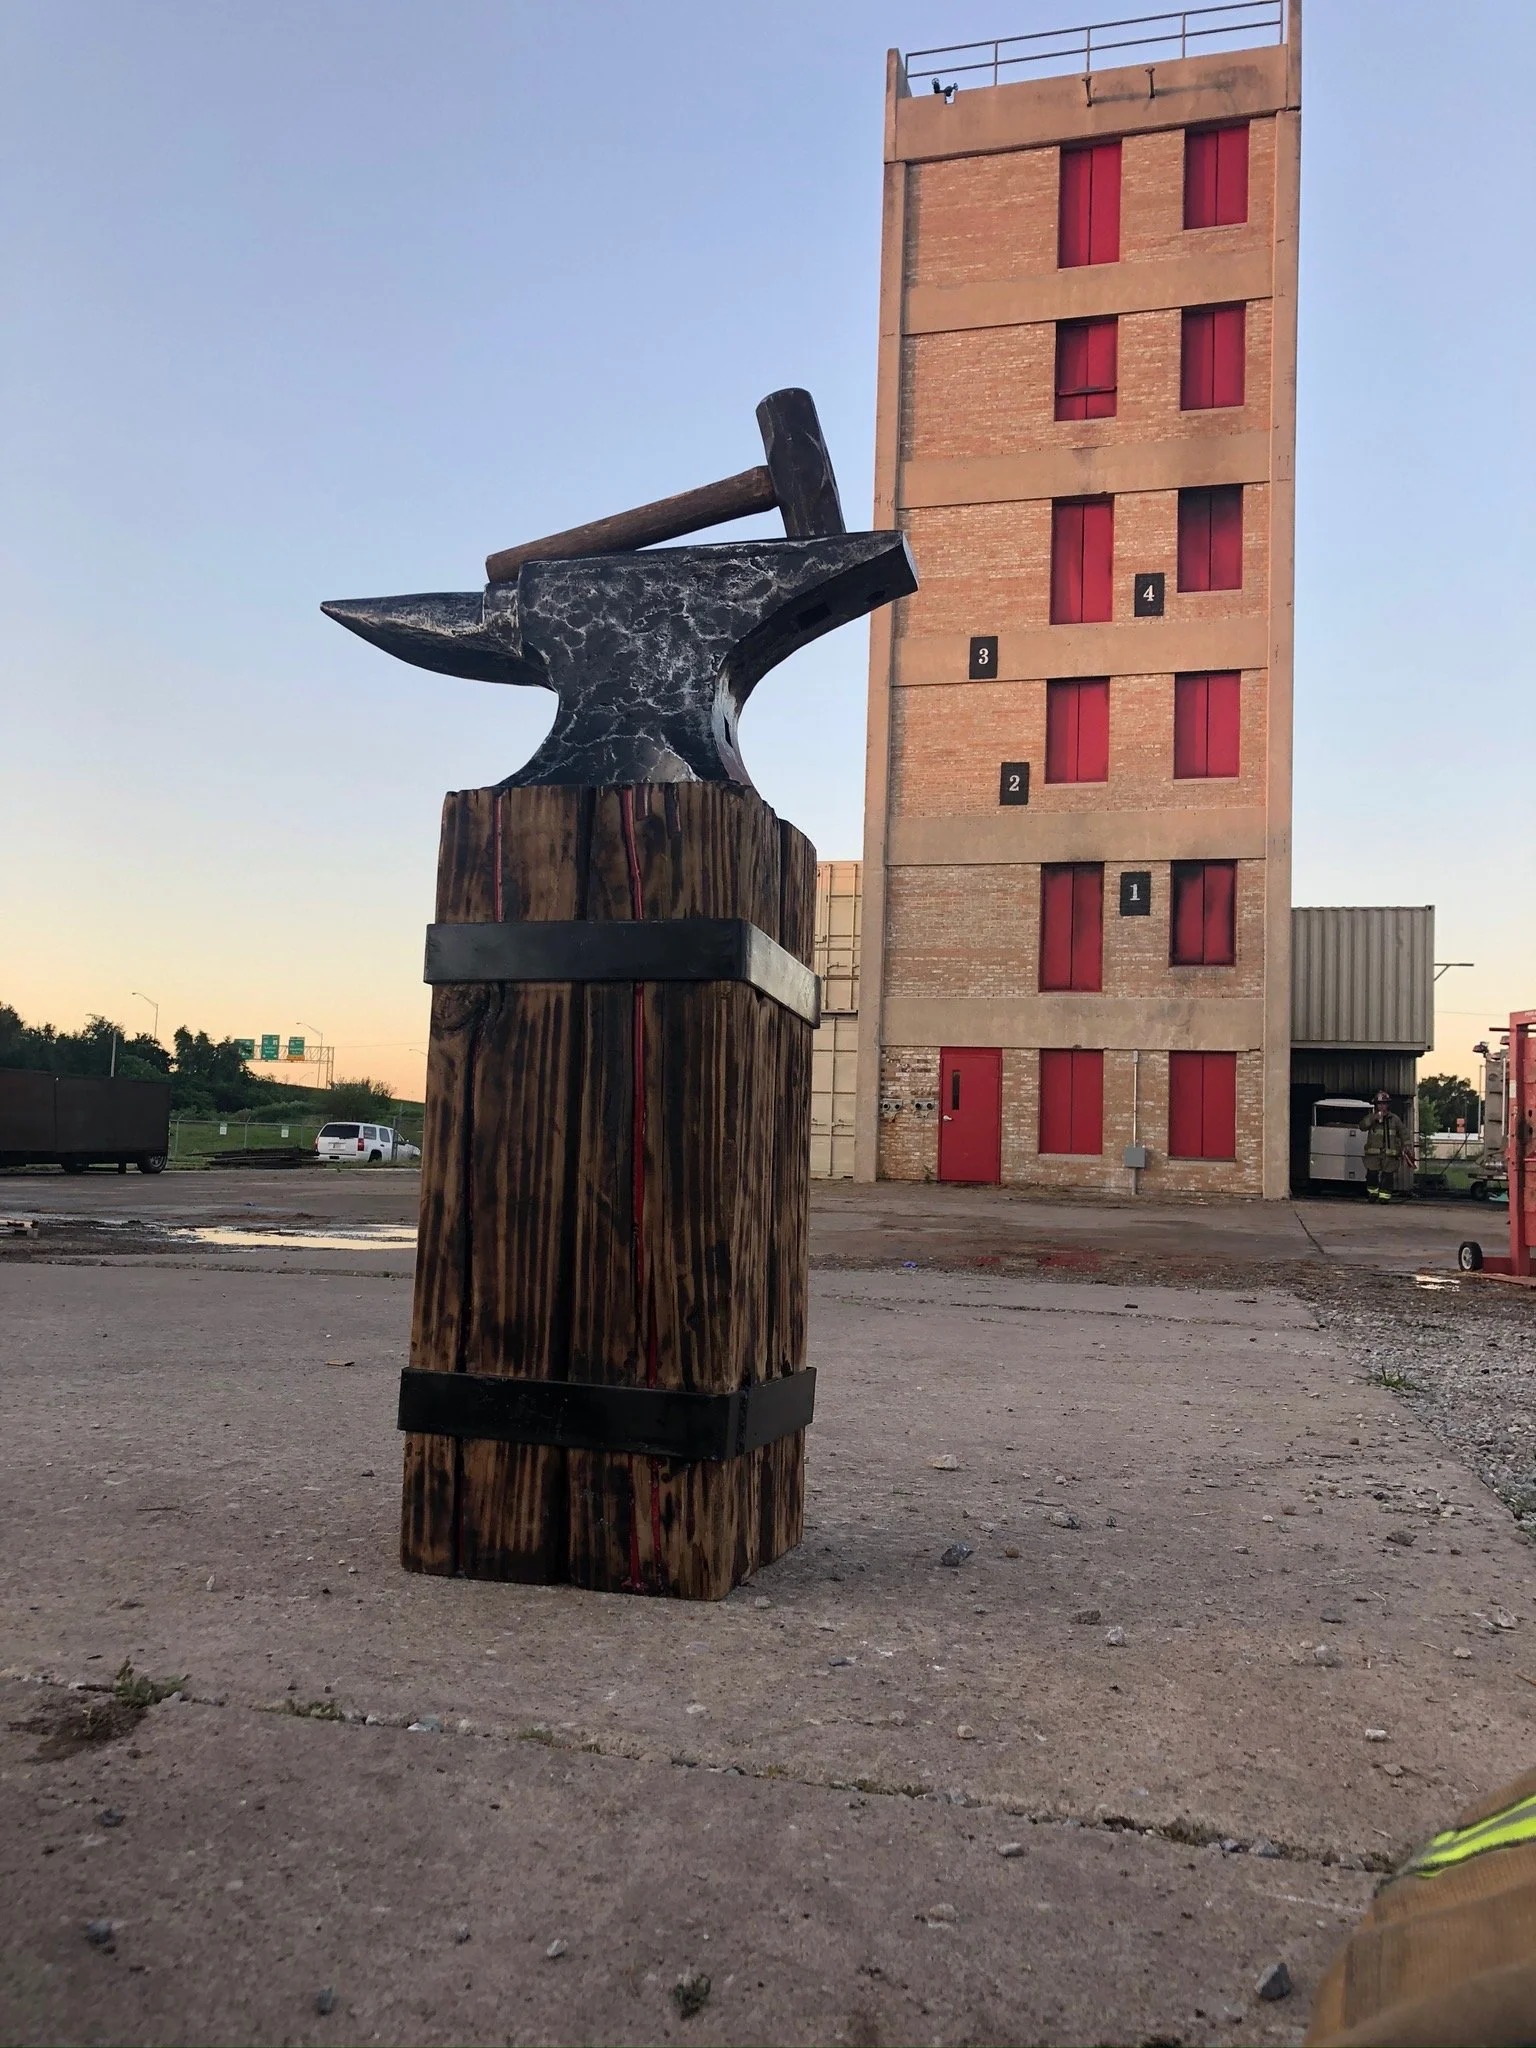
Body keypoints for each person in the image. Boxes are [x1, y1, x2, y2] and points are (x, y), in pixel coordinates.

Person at [1358, 1090, 1414, 1201]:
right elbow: (1362, 1126)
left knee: (1387, 1177)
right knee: (1372, 1175)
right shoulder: (1371, 1118)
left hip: (1390, 1154)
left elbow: (1404, 1133)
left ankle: (1384, 1197)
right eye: (1380, 1104)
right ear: (1376, 1105)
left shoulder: (1395, 1119)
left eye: (1384, 1103)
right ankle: (1372, 1194)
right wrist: (1374, 1118)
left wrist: (1407, 1146)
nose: (1382, 1106)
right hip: (1373, 1154)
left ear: (1388, 1105)